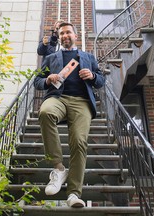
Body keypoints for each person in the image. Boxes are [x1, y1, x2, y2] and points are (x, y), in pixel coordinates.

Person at [34, 22, 105, 208]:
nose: (65, 35)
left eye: (68, 32)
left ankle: (74, 193)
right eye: (62, 33)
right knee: (45, 112)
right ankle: (58, 168)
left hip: (82, 102)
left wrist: (93, 76)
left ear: (75, 35)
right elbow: (37, 81)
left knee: (79, 143)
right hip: (58, 98)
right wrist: (48, 79)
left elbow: (101, 80)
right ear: (60, 36)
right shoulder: (51, 57)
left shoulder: (88, 57)